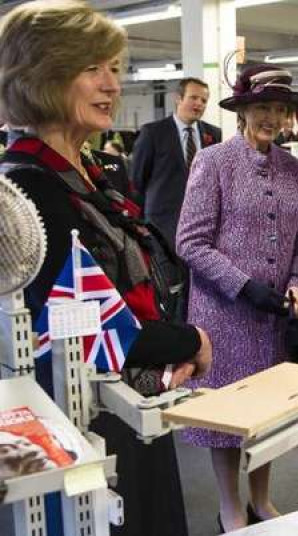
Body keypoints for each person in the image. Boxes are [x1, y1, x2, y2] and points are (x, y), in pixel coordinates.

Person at [0, 3, 213, 535]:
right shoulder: (24, 189)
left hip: (127, 407)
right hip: (75, 426)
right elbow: (80, 323)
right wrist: (188, 341)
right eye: (92, 68)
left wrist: (164, 361)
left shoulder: (94, 172)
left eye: (115, 68)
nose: (112, 84)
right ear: (42, 78)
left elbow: (129, 290)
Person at [175, 64, 298, 533]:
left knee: (269, 412)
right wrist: (244, 285)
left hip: (272, 317)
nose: (272, 118)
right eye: (263, 108)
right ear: (243, 112)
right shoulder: (213, 162)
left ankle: (261, 499)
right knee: (227, 413)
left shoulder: (296, 170)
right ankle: (229, 505)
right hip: (224, 314)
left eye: (280, 109)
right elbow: (190, 242)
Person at [131, 77, 221, 250]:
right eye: (193, 98)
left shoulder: (214, 135)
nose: (199, 104)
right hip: (162, 226)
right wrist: (139, 222)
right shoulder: (153, 133)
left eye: (204, 100)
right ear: (178, 98)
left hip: (204, 227)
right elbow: (137, 181)